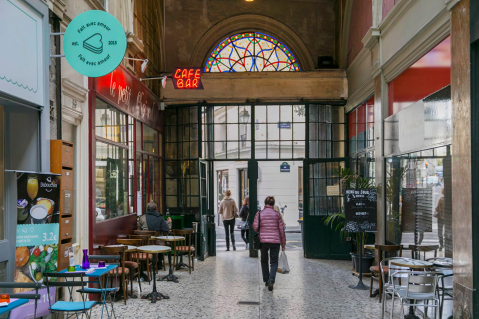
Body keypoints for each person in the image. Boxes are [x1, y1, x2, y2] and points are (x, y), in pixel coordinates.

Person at [253, 196, 286, 292]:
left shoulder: (259, 214)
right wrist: (283, 244)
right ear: (273, 204)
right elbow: (281, 231)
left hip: (263, 241)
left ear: (265, 203)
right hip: (275, 241)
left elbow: (255, 228)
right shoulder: (277, 215)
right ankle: (272, 279)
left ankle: (266, 280)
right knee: (274, 261)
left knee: (264, 260)